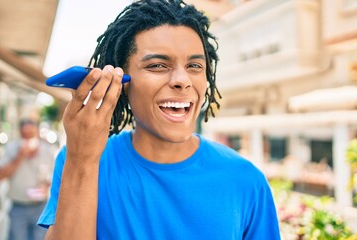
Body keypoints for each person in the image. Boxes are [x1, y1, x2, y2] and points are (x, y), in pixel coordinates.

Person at [38, 0, 281, 239]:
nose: (182, 80)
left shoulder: (246, 180)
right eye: (157, 65)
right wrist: (82, 163)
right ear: (121, 82)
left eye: (194, 65)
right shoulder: (81, 158)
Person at [0, 119, 56, 240]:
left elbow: (53, 176)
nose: (28, 139)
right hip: (18, 206)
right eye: (25, 135)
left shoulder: (47, 151)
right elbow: (0, 175)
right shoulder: (11, 149)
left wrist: (45, 186)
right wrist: (19, 157)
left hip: (41, 207)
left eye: (31, 135)